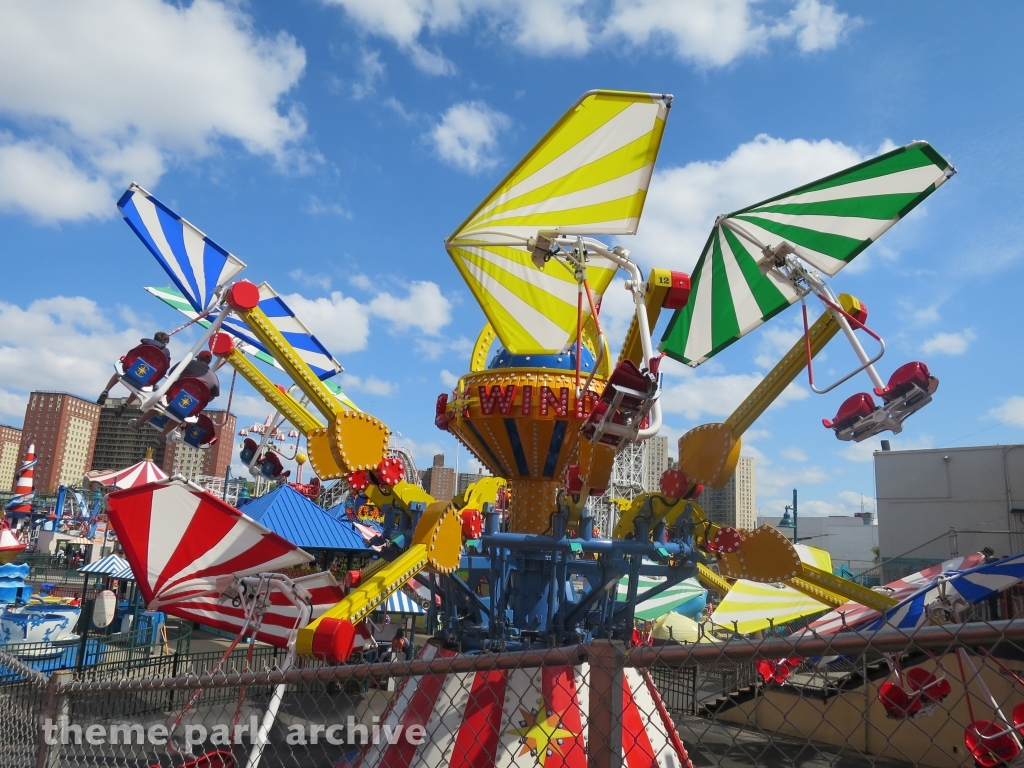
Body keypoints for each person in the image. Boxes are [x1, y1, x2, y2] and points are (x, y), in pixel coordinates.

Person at [133, 350, 221, 439]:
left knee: (159, 405)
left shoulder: (189, 363)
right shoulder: (214, 378)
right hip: (189, 404)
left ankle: (138, 423)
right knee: (180, 415)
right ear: (209, 362)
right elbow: (211, 398)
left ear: (199, 358)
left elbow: (172, 373)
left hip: (174, 395)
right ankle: (161, 436)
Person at [98, 331, 171, 404]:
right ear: (166, 343)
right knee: (139, 385)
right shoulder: (165, 353)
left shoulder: (144, 344)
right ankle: (126, 404)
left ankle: (106, 390)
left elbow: (131, 354)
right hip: (146, 379)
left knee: (119, 371)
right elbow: (165, 368)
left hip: (129, 370)